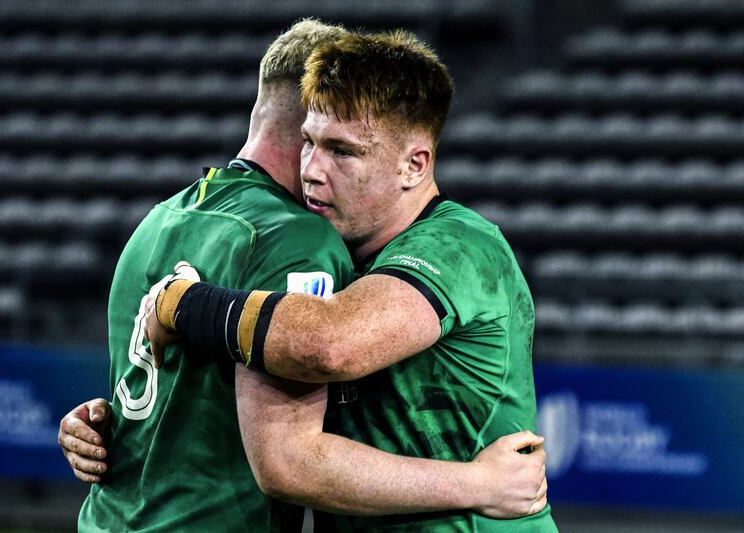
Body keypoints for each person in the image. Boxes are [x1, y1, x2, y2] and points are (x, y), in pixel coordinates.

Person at [62, 19, 549, 533]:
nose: (312, 169)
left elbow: (327, 344)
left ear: (415, 165)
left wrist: (182, 304)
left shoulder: (457, 247)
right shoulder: (330, 249)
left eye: (342, 151)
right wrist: (115, 422)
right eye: (309, 143)